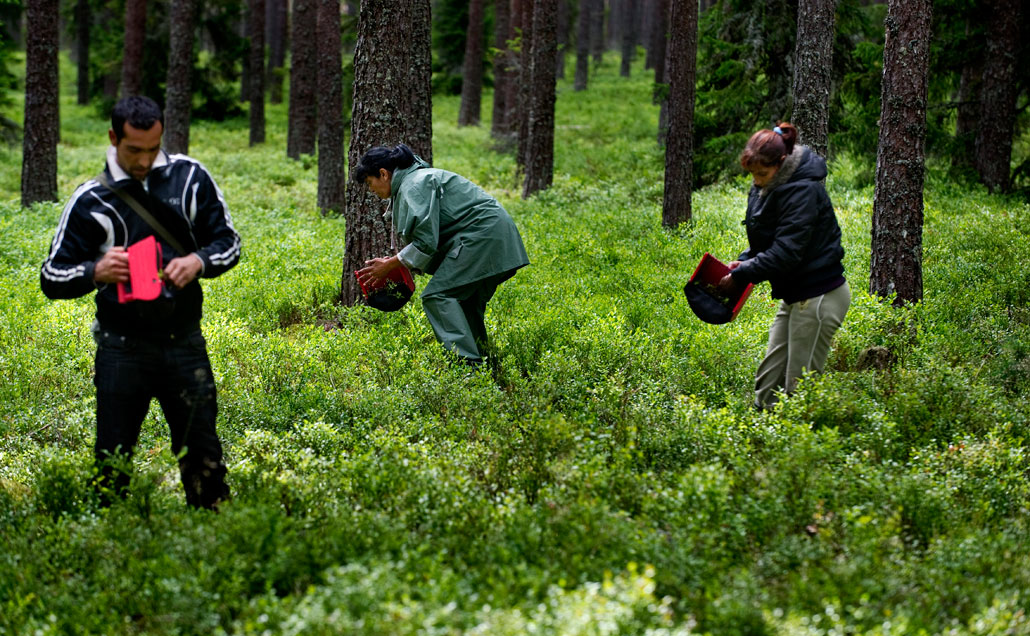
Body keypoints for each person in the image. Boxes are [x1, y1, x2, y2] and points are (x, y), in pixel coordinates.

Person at [41, 96, 241, 509]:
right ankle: (107, 538)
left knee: (204, 454)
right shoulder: (91, 199)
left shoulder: (190, 178)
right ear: (114, 138)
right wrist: (94, 271)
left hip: (185, 344)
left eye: (153, 148)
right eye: (134, 150)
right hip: (121, 348)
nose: (144, 160)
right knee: (112, 458)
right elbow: (51, 276)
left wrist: (198, 261)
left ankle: (214, 532)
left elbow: (228, 244)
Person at [354, 144, 529, 365]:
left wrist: (391, 264)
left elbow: (427, 241)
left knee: (438, 296)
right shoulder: (416, 182)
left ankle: (467, 368)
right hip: (494, 237)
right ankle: (485, 364)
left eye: (370, 183)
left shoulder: (414, 185)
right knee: (465, 302)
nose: (371, 191)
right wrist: (397, 262)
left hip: (482, 238)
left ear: (383, 174)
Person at [717, 122, 850, 410]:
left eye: (762, 174)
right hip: (794, 294)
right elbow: (769, 239)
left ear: (781, 163)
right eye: (752, 174)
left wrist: (742, 275)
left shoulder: (803, 191)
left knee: (800, 387)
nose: (756, 181)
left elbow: (786, 252)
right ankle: (762, 443)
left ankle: (804, 447)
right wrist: (745, 259)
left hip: (819, 296)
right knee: (768, 383)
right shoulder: (768, 186)